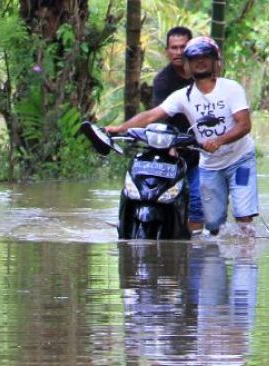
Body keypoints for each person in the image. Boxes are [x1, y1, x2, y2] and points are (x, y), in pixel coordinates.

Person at [107, 36, 258, 237]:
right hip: (210, 164)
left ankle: (245, 260)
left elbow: (244, 124)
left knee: (243, 216)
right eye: (194, 59)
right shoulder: (183, 96)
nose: (200, 62)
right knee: (213, 224)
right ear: (187, 66)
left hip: (240, 160)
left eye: (205, 57)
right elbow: (152, 115)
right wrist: (120, 128)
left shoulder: (232, 88)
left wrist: (219, 141)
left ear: (215, 62)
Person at [150, 26, 202, 232]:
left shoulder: (203, 74)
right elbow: (159, 115)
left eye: (183, 47)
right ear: (167, 51)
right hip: (172, 148)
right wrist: (168, 144)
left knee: (198, 202)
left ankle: (197, 246)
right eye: (174, 47)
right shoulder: (163, 80)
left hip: (202, 149)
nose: (179, 52)